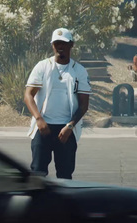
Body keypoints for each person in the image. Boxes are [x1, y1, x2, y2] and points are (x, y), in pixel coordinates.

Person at [24, 28, 92, 179]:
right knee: (37, 174)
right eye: (56, 43)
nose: (60, 46)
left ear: (71, 45)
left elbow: (83, 105)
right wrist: (39, 119)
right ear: (52, 45)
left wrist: (70, 125)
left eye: (64, 43)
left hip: (66, 130)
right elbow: (28, 95)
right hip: (43, 128)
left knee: (65, 175)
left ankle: (63, 203)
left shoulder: (79, 71)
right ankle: (39, 203)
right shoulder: (42, 66)